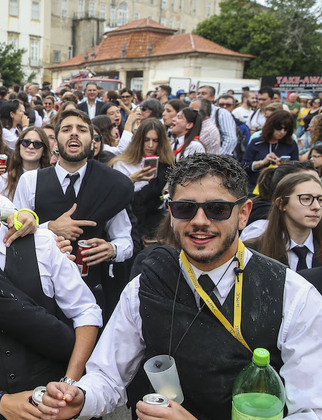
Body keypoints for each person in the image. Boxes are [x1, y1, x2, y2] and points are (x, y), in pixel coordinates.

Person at [38, 153, 322, 420]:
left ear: (244, 213)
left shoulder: (292, 294)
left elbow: (310, 410)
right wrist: (81, 398)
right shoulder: (146, 284)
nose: (200, 221)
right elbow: (108, 375)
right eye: (185, 208)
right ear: (171, 213)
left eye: (217, 209)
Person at [0, 157, 101, 419]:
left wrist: (68, 386)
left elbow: (86, 312)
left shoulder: (43, 243)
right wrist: (1, 401)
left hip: (54, 402)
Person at [13, 109, 134, 318]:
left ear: (93, 141)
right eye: (67, 129)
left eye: (82, 129)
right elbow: (14, 234)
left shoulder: (111, 184)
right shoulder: (30, 181)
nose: (74, 134)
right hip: (42, 292)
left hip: (93, 291)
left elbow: (126, 240)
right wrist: (49, 228)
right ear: (55, 141)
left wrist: (112, 249)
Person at [110, 119, 175, 241]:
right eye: (146, 140)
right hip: (129, 225)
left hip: (155, 224)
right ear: (139, 140)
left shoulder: (165, 165)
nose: (150, 145)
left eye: (155, 141)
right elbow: (116, 197)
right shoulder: (122, 164)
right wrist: (132, 180)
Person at [249, 172, 321, 271]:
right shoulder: (252, 252)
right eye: (306, 199)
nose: (316, 207)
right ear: (281, 204)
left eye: (320, 200)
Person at [242, 110, 299, 190]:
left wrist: (283, 165)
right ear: (272, 126)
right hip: (255, 187)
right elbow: (244, 166)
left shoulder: (291, 144)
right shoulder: (256, 142)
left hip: (281, 188)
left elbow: (296, 168)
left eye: (286, 129)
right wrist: (262, 162)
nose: (282, 132)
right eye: (279, 128)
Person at [0, 126, 51, 200]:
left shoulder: (51, 180)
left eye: (37, 144)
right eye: (26, 142)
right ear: (19, 146)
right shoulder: (3, 181)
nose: (31, 147)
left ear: (44, 150)